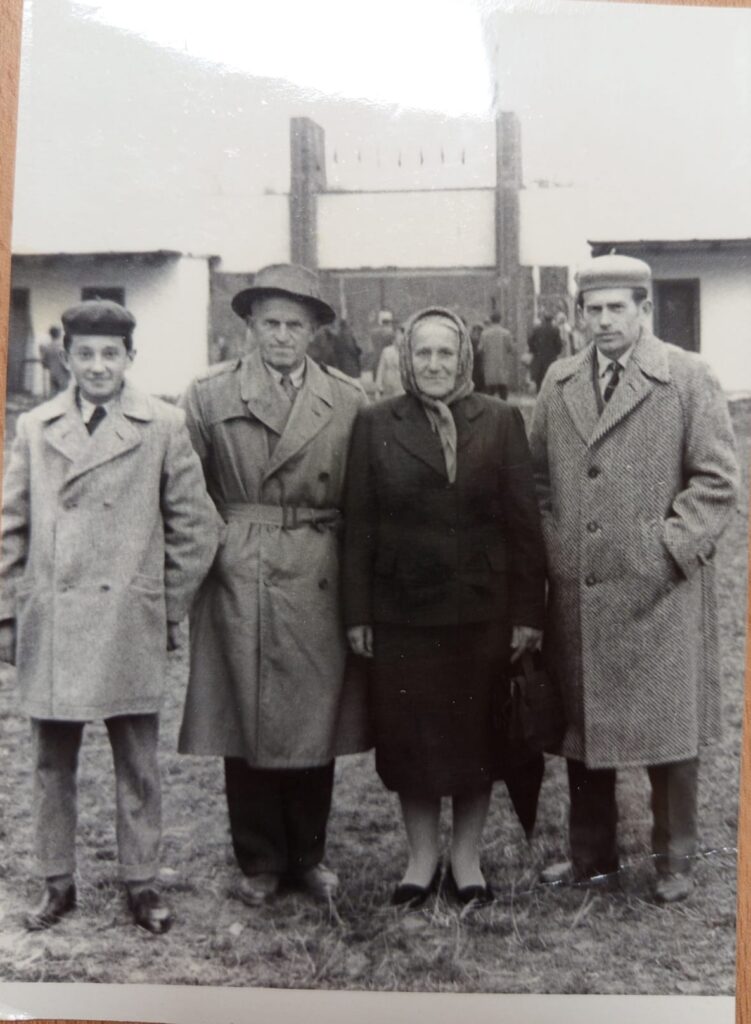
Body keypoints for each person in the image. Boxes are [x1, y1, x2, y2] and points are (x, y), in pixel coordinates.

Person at [0, 299, 219, 933]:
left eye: (110, 354)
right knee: (51, 764)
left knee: (138, 765)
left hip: (128, 619)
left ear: (130, 358)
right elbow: (11, 526)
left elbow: (197, 526)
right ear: (65, 359)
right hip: (55, 619)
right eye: (86, 354)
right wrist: (7, 615)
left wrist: (161, 602)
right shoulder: (35, 427)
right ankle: (56, 881)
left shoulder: (162, 425)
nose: (98, 366)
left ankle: (143, 883)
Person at [529, 254, 739, 902]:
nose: (603, 321)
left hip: (661, 593)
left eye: (616, 308)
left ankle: (674, 860)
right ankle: (591, 857)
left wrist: (667, 550)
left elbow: (716, 481)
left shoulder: (686, 376)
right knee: (583, 726)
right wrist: (558, 547)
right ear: (577, 315)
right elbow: (537, 478)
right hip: (581, 588)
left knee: (669, 730)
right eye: (592, 310)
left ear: (643, 310)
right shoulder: (560, 380)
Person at [178, 263, 369, 907]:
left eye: (294, 325)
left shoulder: (348, 398)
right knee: (245, 714)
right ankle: (259, 857)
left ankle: (309, 856)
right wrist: (220, 548)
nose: (282, 336)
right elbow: (186, 490)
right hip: (241, 567)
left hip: (319, 567)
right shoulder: (209, 396)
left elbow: (361, 498)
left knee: (316, 717)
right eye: (270, 324)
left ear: (314, 331)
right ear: (250, 327)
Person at [343, 307, 546, 907]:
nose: (434, 365)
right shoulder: (375, 423)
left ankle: (466, 860)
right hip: (403, 613)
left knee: (479, 736)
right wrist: (357, 613)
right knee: (412, 738)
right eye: (423, 353)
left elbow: (524, 524)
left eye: (446, 354)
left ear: (464, 360)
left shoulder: (500, 420)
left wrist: (528, 613)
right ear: (406, 359)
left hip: (482, 612)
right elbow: (358, 526)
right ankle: (421, 859)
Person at [477, 312, 516, 399]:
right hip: (502, 365)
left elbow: (480, 349)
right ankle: (503, 405)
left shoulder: (485, 334)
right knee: (503, 391)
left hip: (489, 365)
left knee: (490, 392)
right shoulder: (506, 333)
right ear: (500, 320)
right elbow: (511, 349)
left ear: (491, 320)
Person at [527, 311, 562, 392]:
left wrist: (533, 350)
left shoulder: (537, 329)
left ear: (543, 319)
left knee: (539, 378)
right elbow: (559, 344)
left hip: (539, 357)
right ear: (552, 319)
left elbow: (530, 340)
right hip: (551, 357)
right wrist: (556, 352)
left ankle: (539, 394)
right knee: (550, 377)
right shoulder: (555, 330)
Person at [374, 325, 405, 400]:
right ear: (394, 338)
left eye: (402, 337)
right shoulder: (387, 351)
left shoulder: (406, 353)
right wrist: (378, 389)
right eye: (398, 336)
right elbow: (381, 370)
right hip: (388, 388)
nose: (400, 339)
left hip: (401, 388)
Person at [39, 324, 70, 395]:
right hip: (63, 374)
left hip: (53, 374)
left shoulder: (47, 347)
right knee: (65, 395)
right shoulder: (64, 346)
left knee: (54, 396)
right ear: (59, 334)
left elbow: (44, 364)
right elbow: (67, 362)